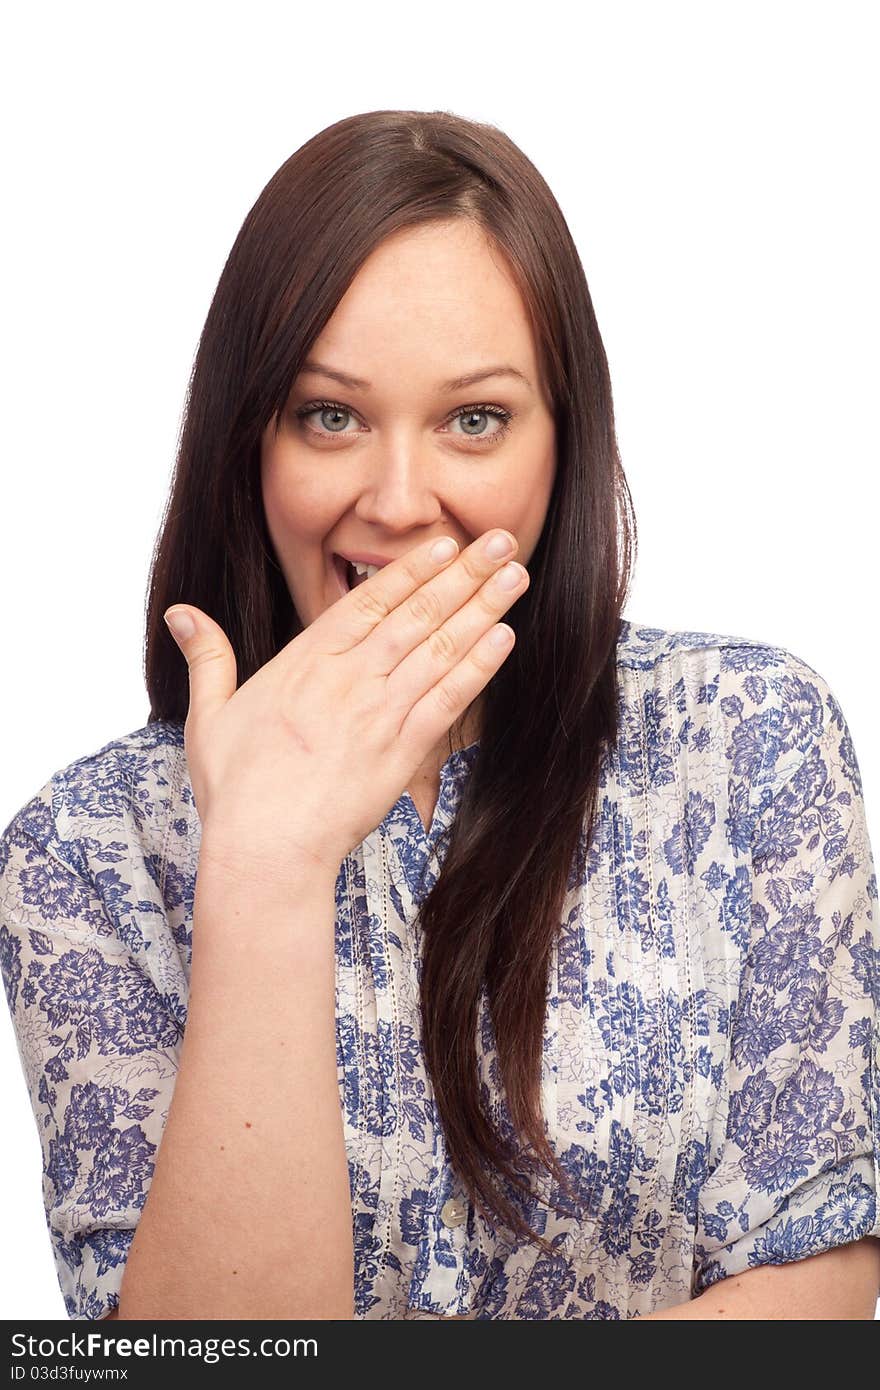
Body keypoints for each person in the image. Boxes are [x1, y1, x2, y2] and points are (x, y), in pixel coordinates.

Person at [1, 108, 878, 1322]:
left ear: (563, 443)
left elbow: (821, 1284)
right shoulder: (86, 849)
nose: (402, 502)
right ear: (245, 444)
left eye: (474, 418)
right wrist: (265, 860)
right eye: (331, 415)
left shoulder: (750, 739)